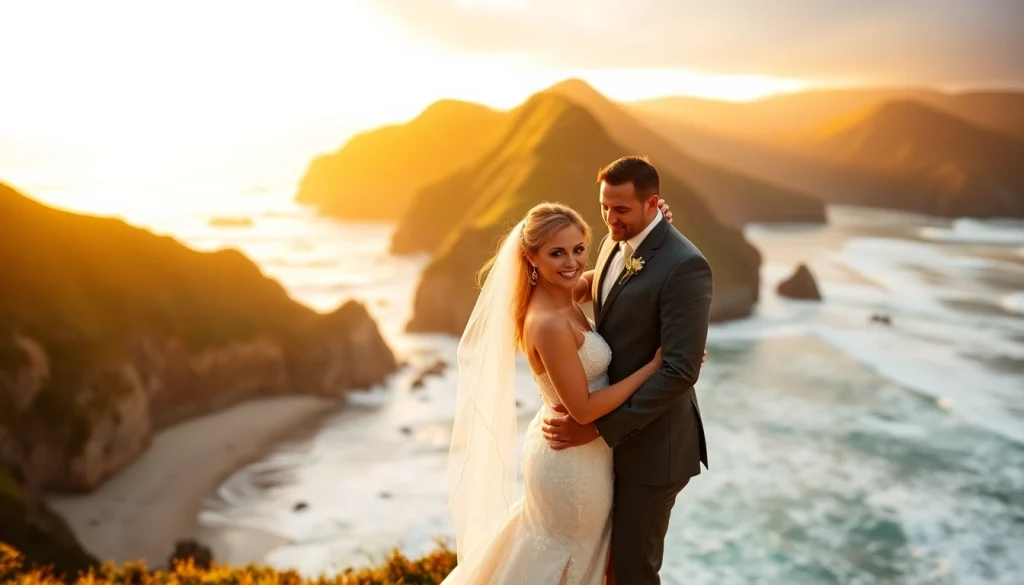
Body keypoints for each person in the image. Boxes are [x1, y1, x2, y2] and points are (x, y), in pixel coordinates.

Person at [442, 198, 674, 584]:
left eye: (579, 249)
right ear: (531, 257)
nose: (572, 263)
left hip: (582, 451)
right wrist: (652, 368)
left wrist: (652, 231)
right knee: (568, 565)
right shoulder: (548, 321)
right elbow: (582, 409)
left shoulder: (565, 294)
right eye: (557, 253)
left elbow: (615, 275)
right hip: (572, 466)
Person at [546, 155, 713, 583]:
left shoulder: (685, 266)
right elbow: (603, 299)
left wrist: (598, 429)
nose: (609, 218)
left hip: (655, 450)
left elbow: (679, 371)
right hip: (606, 446)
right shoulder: (611, 243)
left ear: (652, 204)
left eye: (620, 209)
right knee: (606, 565)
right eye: (604, 206)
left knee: (633, 572)